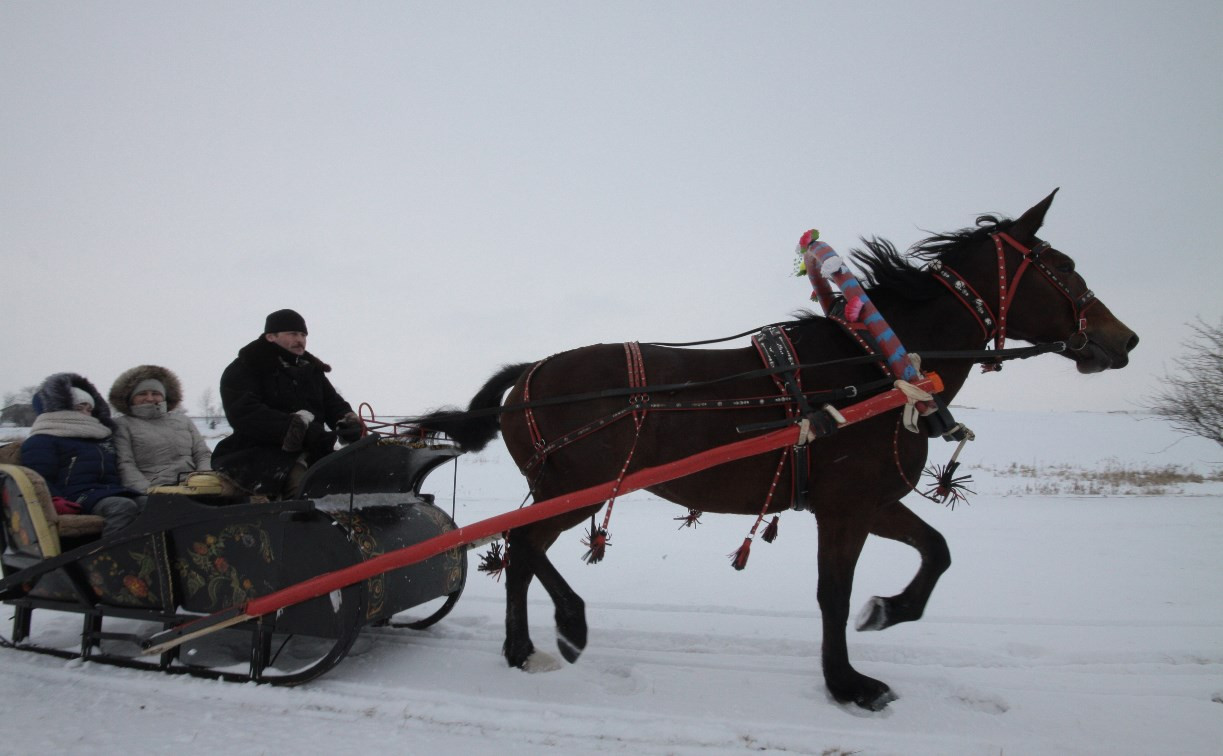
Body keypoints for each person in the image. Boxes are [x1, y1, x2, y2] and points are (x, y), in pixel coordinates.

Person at [212, 309, 362, 496]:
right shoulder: (246, 366)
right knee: (303, 489)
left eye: (303, 334)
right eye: (292, 333)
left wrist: (347, 422)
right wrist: (295, 428)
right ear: (271, 336)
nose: (300, 339)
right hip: (258, 453)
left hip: (314, 450)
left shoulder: (311, 370)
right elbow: (244, 412)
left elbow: (333, 403)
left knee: (351, 482)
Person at [20, 373, 146, 537]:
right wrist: (57, 500)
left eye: (89, 409)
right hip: (73, 496)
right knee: (120, 507)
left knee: (149, 504)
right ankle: (111, 558)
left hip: (107, 491)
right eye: (79, 408)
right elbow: (40, 478)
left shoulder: (100, 438)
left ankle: (150, 555)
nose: (85, 413)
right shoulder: (42, 440)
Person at [109, 365, 212, 491]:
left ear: (164, 397)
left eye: (155, 393)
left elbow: (202, 454)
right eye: (142, 394)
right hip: (153, 490)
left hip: (192, 487)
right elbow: (125, 464)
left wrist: (204, 480)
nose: (150, 398)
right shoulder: (122, 425)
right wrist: (149, 492)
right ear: (131, 398)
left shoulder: (183, 421)